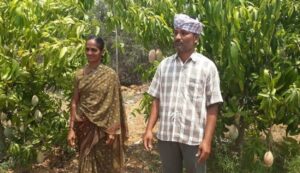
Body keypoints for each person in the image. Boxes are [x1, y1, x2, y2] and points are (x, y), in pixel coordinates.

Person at [143, 14, 223, 173]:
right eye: (176, 33)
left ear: (196, 38)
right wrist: (148, 129)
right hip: (167, 136)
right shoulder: (164, 66)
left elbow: (213, 106)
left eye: (184, 33)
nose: (178, 37)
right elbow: (156, 100)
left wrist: (207, 141)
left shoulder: (207, 67)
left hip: (193, 138)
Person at [67, 35, 128, 173]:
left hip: (103, 130)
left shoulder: (110, 75)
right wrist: (71, 128)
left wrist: (112, 131)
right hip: (83, 127)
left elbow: (115, 104)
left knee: (105, 166)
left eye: (94, 50)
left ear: (102, 52)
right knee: (85, 163)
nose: (89, 53)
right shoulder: (79, 75)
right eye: (87, 49)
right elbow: (75, 102)